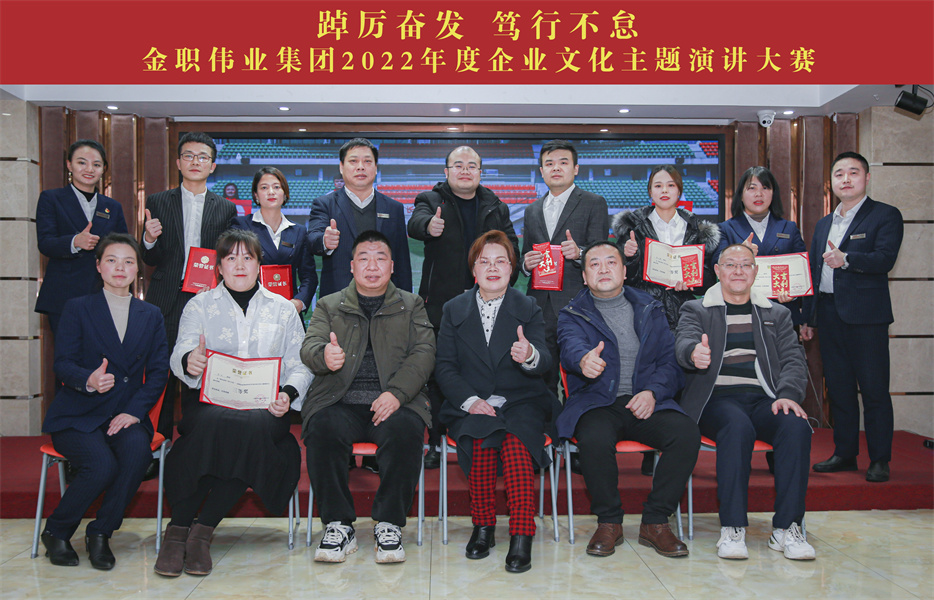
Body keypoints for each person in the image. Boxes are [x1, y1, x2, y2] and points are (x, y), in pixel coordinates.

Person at [154, 229, 312, 577]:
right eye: (230, 258)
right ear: (219, 267)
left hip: (266, 408)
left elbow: (300, 363)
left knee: (250, 430)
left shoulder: (283, 309)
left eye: (247, 257)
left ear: (259, 264)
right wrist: (190, 361)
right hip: (211, 405)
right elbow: (181, 351)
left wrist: (287, 394)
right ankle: (182, 534)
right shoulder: (199, 305)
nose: (239, 265)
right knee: (223, 429)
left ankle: (194, 532)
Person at [557, 241, 698, 558]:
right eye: (594, 264)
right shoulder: (572, 313)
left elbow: (669, 363)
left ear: (624, 271)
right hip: (597, 402)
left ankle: (656, 521)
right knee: (594, 438)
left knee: (685, 433)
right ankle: (609, 522)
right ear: (584, 277)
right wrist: (583, 360)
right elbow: (570, 346)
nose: (603, 269)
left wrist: (653, 392)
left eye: (611, 262)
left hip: (646, 401)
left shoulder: (650, 308)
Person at [301, 230, 434, 564]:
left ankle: (389, 523)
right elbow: (310, 345)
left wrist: (397, 394)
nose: (372, 266)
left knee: (406, 430)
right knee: (322, 428)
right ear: (351, 266)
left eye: (380, 258)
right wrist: (324, 356)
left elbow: (424, 353)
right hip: (339, 400)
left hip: (395, 402)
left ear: (392, 266)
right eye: (364, 258)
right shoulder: (329, 304)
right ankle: (338, 524)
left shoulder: (411, 305)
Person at [675, 244, 815, 561]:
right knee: (736, 427)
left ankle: (788, 528)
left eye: (745, 265)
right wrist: (693, 353)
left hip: (766, 398)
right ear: (717, 271)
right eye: (730, 264)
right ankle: (733, 527)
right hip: (716, 399)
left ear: (755, 271)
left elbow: (794, 360)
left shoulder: (776, 313)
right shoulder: (696, 309)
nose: (738, 271)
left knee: (796, 426)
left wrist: (787, 395)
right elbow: (683, 341)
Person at [40, 234, 168, 570]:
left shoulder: (151, 314)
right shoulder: (78, 307)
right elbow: (62, 363)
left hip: (124, 413)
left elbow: (158, 372)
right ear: (98, 266)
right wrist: (89, 380)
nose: (120, 268)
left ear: (137, 269)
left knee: (137, 453)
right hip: (77, 414)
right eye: (111, 260)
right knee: (101, 465)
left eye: (128, 261)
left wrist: (134, 412)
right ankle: (56, 531)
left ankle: (101, 532)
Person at [435, 230, 551, 574]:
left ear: (512, 268)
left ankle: (521, 534)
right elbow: (444, 367)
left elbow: (545, 360)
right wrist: (470, 400)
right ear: (474, 270)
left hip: (521, 400)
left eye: (501, 261)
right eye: (484, 261)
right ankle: (483, 526)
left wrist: (530, 355)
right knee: (481, 438)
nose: (492, 268)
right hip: (472, 401)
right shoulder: (453, 309)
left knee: (516, 443)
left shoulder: (528, 307)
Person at [408, 146, 521, 469]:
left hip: (488, 304)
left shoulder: (495, 205)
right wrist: (429, 226)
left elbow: (511, 246)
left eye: (472, 165)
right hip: (441, 305)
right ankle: (435, 440)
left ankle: (489, 431)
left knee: (486, 370)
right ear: (446, 172)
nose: (465, 170)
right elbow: (415, 223)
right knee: (439, 374)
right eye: (458, 165)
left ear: (480, 172)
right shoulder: (431, 199)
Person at [800, 152, 904, 483]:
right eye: (839, 174)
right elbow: (815, 272)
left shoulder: (885, 215)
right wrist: (809, 318)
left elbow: (885, 259)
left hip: (866, 318)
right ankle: (845, 453)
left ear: (867, 178)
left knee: (873, 390)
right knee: (839, 390)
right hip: (829, 314)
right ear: (831, 182)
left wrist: (847, 259)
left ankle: (880, 458)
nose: (846, 179)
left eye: (853, 173)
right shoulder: (824, 223)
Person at [142, 132, 237, 442]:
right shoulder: (157, 201)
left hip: (207, 299)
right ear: (179, 162)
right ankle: (157, 444)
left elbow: (228, 257)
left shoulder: (225, 208)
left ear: (212, 166)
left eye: (203, 157)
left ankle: (196, 445)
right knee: (161, 373)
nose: (195, 161)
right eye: (189, 156)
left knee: (202, 371)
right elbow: (150, 258)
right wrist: (149, 238)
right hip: (166, 298)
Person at [521, 139, 609, 397]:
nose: (556, 168)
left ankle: (579, 419)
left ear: (576, 168)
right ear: (542, 171)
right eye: (549, 164)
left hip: (578, 301)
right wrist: (526, 264)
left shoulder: (594, 203)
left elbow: (601, 253)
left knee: (581, 375)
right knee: (542, 376)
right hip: (540, 302)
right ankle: (548, 419)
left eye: (563, 162)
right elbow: (525, 252)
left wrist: (580, 253)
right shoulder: (532, 210)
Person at [35, 139, 128, 336]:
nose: (89, 169)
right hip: (64, 295)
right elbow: (45, 243)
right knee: (68, 352)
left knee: (104, 351)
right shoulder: (51, 199)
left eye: (96, 164)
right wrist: (74, 242)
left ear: (103, 169)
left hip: (104, 293)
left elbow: (124, 246)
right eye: (82, 162)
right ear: (69, 165)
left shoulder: (112, 206)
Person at [613, 164, 720, 332]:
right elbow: (622, 279)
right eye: (658, 186)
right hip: (644, 313)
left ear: (679, 191)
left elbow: (709, 281)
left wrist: (692, 283)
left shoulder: (695, 229)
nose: (664, 190)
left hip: (685, 314)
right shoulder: (632, 226)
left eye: (671, 185)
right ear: (650, 192)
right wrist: (630, 257)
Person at [307, 138, 412, 298]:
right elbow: (313, 239)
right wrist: (325, 241)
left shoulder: (393, 208)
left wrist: (406, 302)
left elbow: (402, 262)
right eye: (353, 161)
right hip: (339, 300)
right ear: (341, 167)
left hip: (385, 301)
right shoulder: (324, 204)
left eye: (367, 161)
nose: (361, 167)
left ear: (375, 168)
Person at [716, 166, 807, 324]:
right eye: (752, 188)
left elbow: (802, 271)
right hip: (739, 314)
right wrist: (740, 252)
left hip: (782, 314)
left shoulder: (789, 228)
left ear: (773, 193)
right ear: (741, 195)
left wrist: (794, 294)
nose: (759, 194)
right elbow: (716, 268)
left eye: (765, 188)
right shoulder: (725, 229)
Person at [230, 167, 317, 315]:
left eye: (276, 187)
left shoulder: (299, 231)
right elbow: (232, 268)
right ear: (256, 195)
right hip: (251, 310)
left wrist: (299, 302)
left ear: (285, 193)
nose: (271, 192)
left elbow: (309, 276)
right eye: (264, 187)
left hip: (288, 310)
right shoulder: (241, 226)